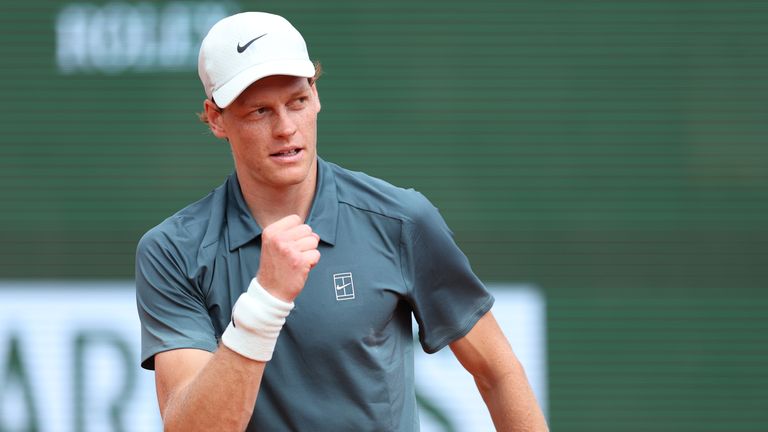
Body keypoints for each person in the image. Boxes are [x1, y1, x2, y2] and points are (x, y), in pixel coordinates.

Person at [135, 11, 548, 432]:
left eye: (297, 101)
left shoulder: (402, 220)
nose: (286, 128)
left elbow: (498, 372)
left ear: (315, 96)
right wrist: (266, 302)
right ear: (217, 117)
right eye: (260, 111)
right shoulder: (171, 251)